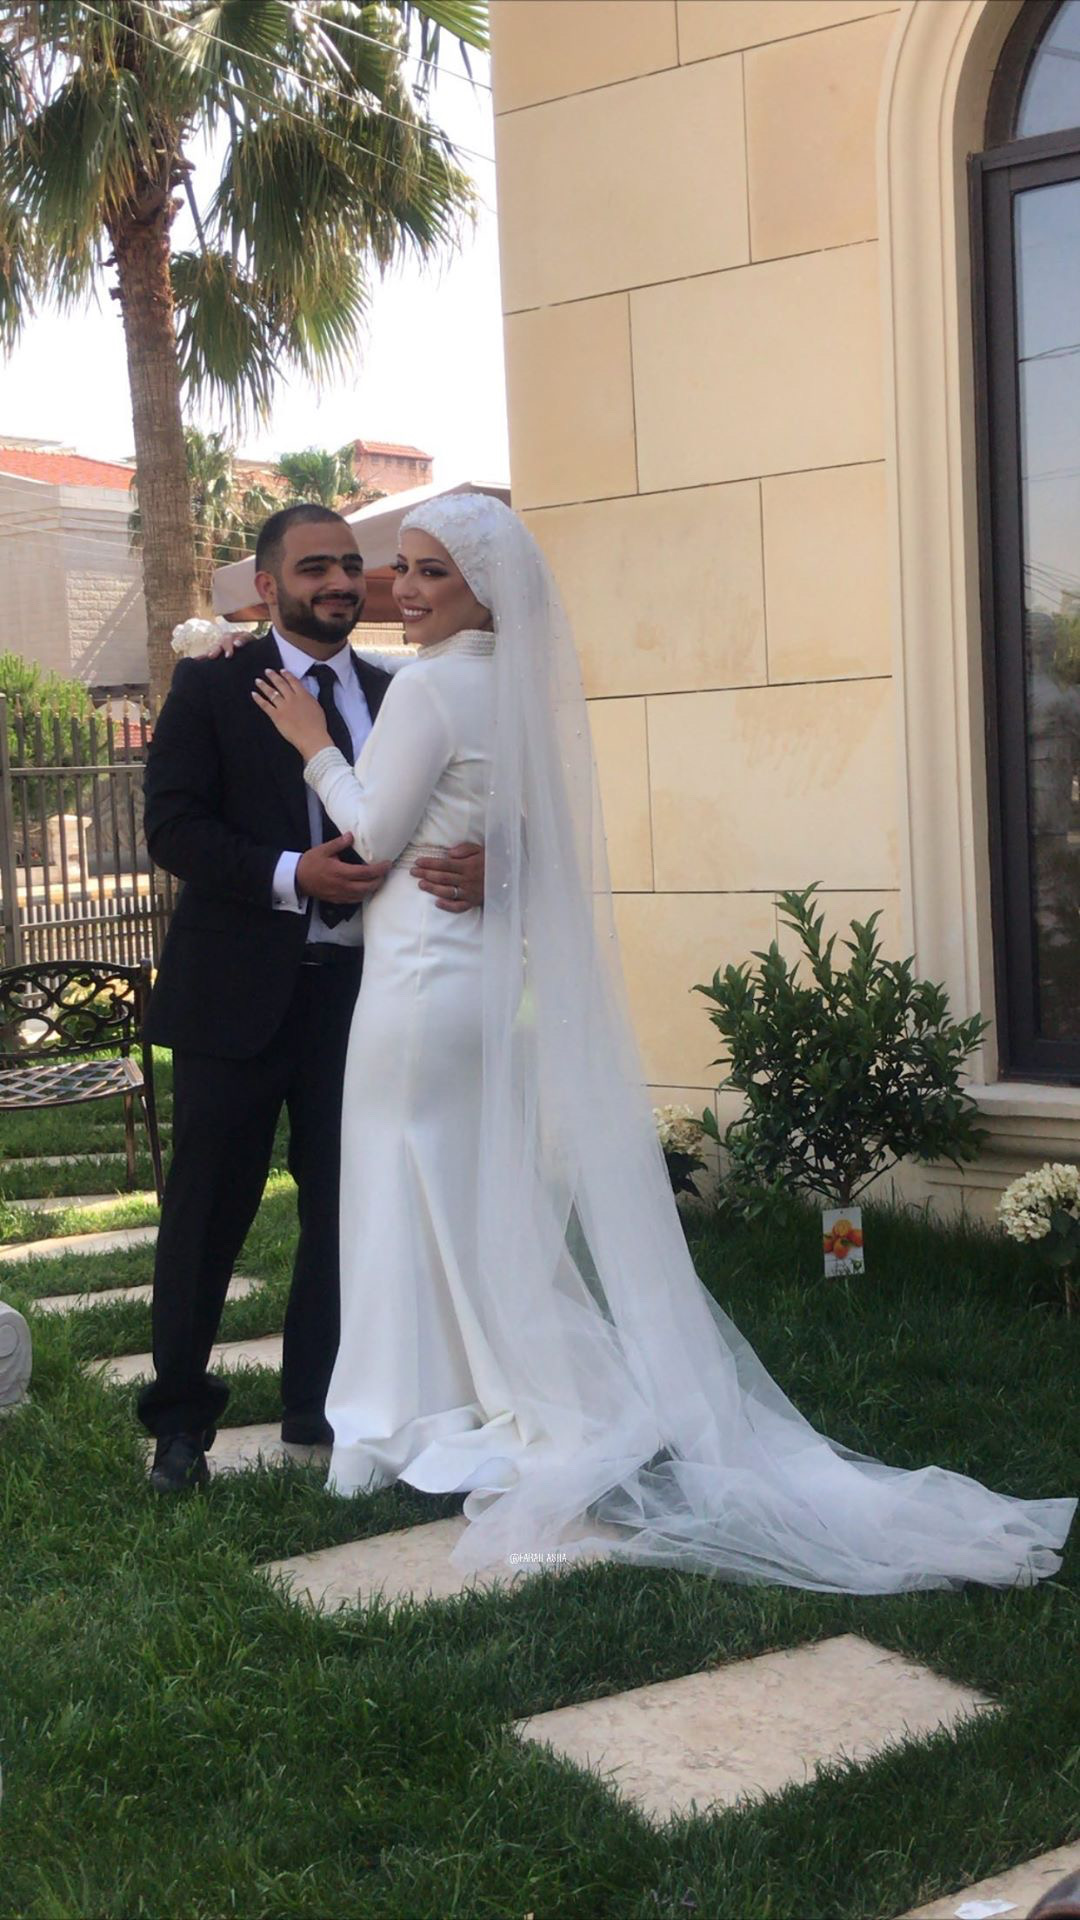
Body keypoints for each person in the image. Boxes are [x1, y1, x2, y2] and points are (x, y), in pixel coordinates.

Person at [253, 490, 1075, 1591]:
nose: (404, 589)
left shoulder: (432, 687)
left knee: (402, 1189)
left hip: (414, 990)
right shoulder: (510, 684)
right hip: (472, 984)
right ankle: (464, 1392)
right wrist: (498, 859)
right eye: (401, 567)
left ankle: (399, 1415)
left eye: (429, 571)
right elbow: (527, 827)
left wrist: (314, 748)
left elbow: (373, 833)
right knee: (455, 1189)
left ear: (484, 589)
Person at [139, 503, 483, 1493]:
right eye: (314, 567)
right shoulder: (215, 685)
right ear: (266, 587)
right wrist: (295, 874)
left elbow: (454, 809)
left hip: (364, 999)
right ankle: (179, 1424)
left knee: (346, 1207)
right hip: (232, 999)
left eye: (347, 565)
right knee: (207, 1213)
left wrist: (491, 862)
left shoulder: (398, 689)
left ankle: (319, 1405)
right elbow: (173, 828)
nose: (338, 582)